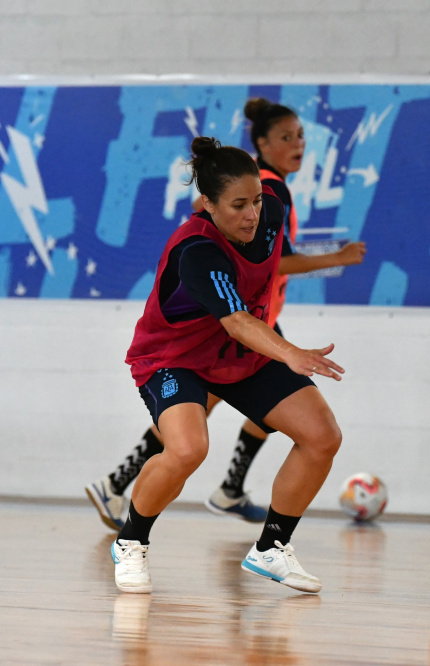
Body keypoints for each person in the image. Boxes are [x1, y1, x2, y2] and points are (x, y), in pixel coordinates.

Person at [86, 98, 366, 530]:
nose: (298, 145)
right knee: (188, 436)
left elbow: (270, 256)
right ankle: (134, 512)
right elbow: (272, 270)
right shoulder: (220, 225)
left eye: (301, 136)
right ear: (261, 144)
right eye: (286, 138)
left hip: (252, 323)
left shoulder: (268, 195)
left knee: (304, 424)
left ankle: (250, 518)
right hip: (228, 327)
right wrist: (338, 258)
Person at [112, 137, 345, 594]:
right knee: (186, 449)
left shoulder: (272, 211)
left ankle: (272, 549)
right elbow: (236, 320)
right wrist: (290, 351)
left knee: (322, 436)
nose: (252, 214)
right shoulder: (197, 249)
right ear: (208, 205)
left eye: (256, 199)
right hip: (175, 359)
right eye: (238, 205)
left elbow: (275, 271)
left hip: (239, 354)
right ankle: (131, 541)